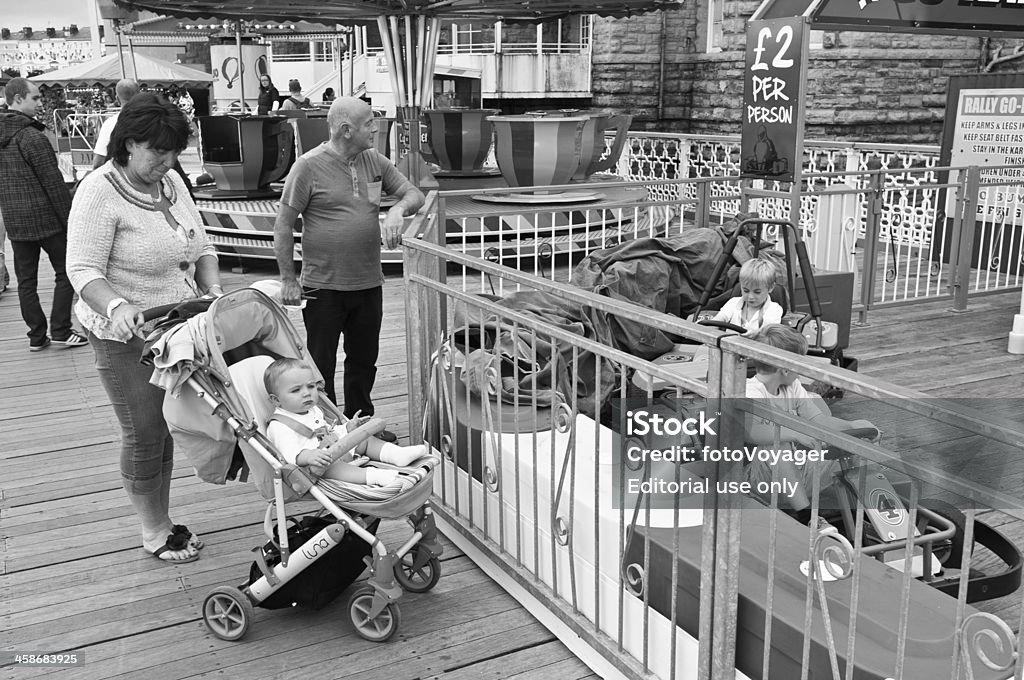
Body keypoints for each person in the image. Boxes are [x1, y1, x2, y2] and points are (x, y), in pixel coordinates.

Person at [67, 92, 223, 565]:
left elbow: (201, 247)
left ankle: (164, 516)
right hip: (125, 337)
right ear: (129, 144)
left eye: (175, 151)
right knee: (145, 431)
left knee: (169, 426)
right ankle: (154, 529)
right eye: (158, 151)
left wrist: (212, 286)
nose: (168, 161)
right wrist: (115, 305)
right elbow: (82, 269)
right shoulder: (99, 190)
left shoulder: (171, 182)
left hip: (177, 329)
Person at [273, 96, 424, 443]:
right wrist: (288, 279)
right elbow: (283, 224)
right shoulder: (308, 167)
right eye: (369, 122)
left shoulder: (374, 161)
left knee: (363, 361)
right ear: (346, 130)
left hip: (368, 283)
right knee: (320, 367)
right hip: (323, 287)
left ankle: (362, 428)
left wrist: (398, 210)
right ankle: (323, 431)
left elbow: (413, 193)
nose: (375, 128)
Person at [743, 324, 877, 511]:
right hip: (764, 483)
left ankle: (867, 506)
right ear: (785, 369)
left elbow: (818, 419)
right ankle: (806, 517)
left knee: (859, 436)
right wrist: (795, 434)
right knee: (777, 446)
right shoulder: (752, 392)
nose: (803, 370)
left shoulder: (792, 387)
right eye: (800, 364)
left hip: (803, 473)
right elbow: (750, 432)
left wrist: (853, 426)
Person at [0, 77, 88, 351]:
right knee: (67, 272)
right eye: (35, 98)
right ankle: (61, 328)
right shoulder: (31, 136)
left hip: (16, 222)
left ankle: (37, 336)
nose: (40, 103)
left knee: (26, 282)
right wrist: (70, 219)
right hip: (46, 221)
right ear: (17, 99)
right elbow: (53, 184)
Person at [263, 358, 427, 484]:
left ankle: (397, 455)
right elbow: (288, 454)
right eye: (296, 390)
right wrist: (309, 456)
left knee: (365, 439)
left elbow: (327, 432)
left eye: (311, 386)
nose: (306, 393)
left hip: (334, 449)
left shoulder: (313, 410)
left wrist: (347, 428)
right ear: (276, 400)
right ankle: (373, 476)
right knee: (331, 466)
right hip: (314, 468)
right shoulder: (279, 426)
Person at [712, 257, 784, 333]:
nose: (750, 297)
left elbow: (767, 336)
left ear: (770, 288)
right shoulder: (733, 303)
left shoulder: (774, 310)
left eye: (757, 292)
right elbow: (716, 322)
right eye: (746, 290)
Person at [92, 78, 140, 168]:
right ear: (139, 96)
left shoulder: (110, 124)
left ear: (117, 99)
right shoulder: (152, 121)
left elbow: (98, 162)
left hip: (119, 175)